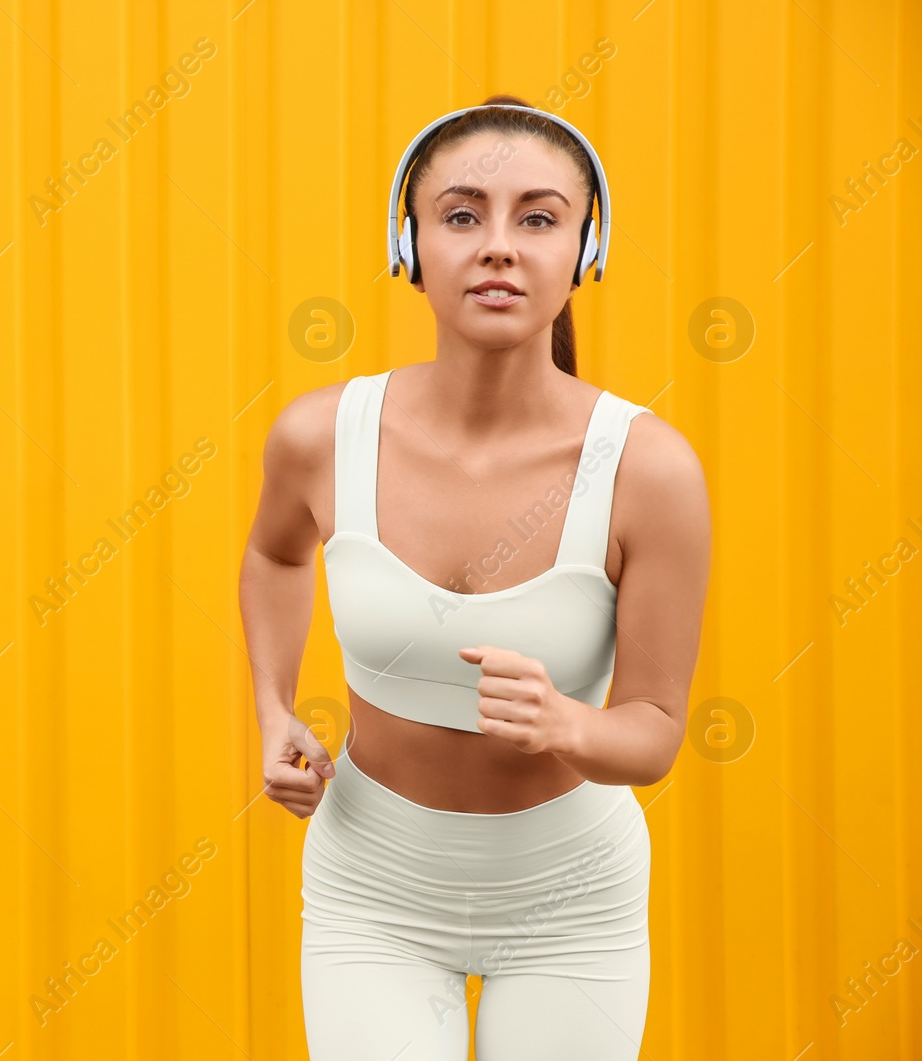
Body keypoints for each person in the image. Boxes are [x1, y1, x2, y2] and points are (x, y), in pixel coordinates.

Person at [237, 94, 711, 1059]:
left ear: (587, 251)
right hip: (372, 888)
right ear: (408, 248)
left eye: (538, 217)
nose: (500, 246)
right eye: (462, 215)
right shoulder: (318, 436)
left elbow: (656, 731)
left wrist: (569, 724)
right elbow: (274, 553)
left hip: (572, 900)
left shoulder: (649, 469)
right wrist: (273, 708)